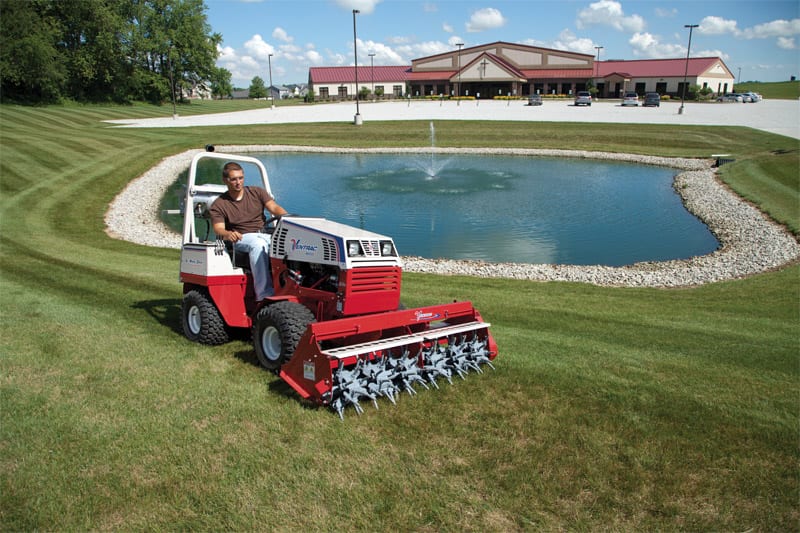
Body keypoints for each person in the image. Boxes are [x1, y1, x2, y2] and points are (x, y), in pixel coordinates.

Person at [209, 162, 287, 300]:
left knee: (287, 243)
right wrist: (228, 234)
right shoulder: (219, 204)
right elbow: (218, 228)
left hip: (263, 233)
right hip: (240, 238)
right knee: (258, 244)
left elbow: (274, 208)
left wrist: (288, 218)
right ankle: (263, 294)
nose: (238, 182)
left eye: (240, 178)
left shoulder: (256, 192)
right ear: (225, 180)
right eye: (234, 179)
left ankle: (290, 286)